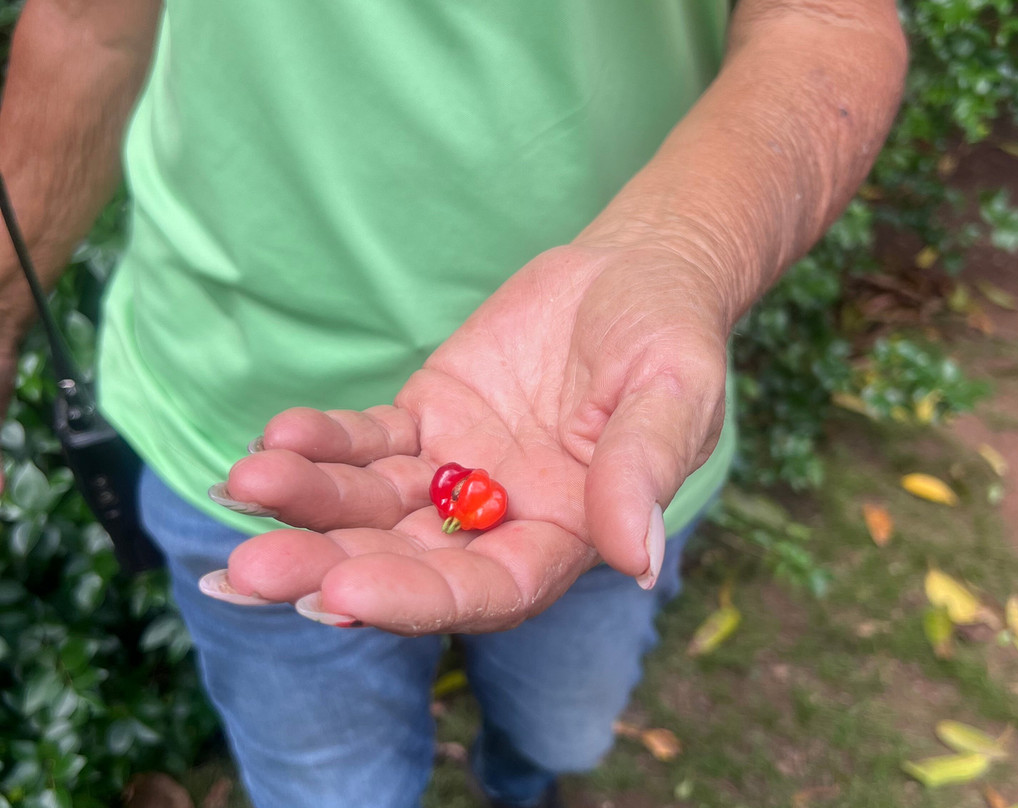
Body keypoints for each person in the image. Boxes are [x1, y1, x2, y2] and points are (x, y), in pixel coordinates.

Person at [0, 1, 907, 806]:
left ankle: (519, 779)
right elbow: (85, 21)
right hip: (228, 416)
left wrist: (680, 252)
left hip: (600, 432)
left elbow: (828, 18)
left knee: (566, 728)